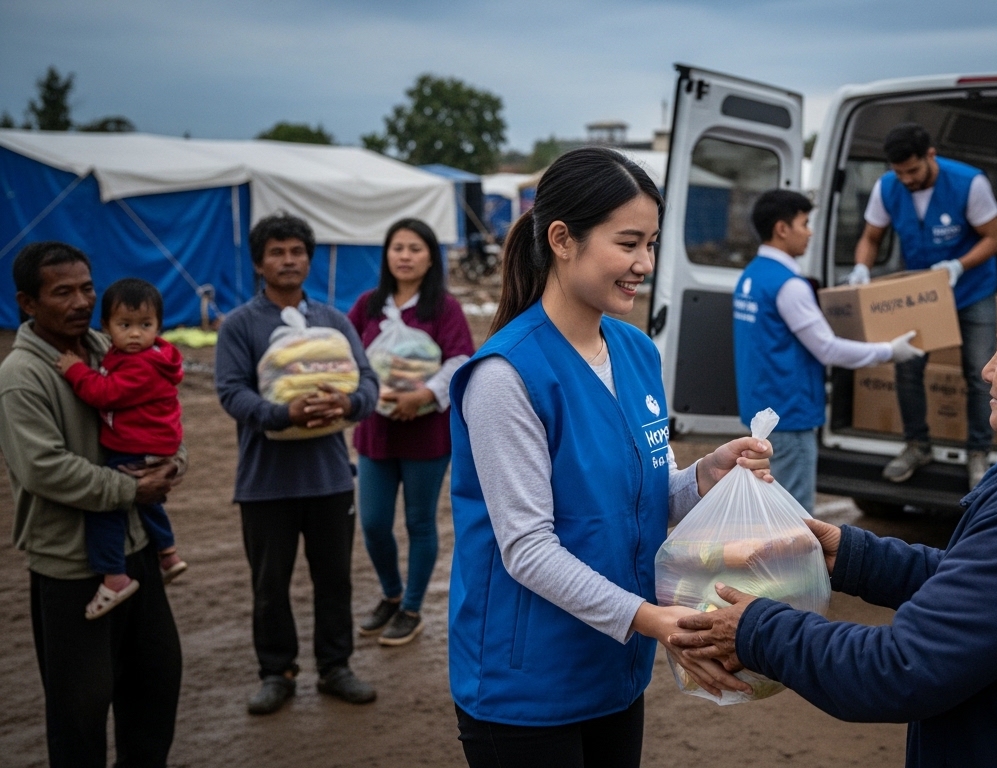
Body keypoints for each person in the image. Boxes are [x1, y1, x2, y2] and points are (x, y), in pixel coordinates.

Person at [670, 264, 997, 766]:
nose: (987, 370)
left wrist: (757, 629)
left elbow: (898, 669)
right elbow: (990, 593)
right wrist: (851, 556)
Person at [447, 147, 773, 767]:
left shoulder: (635, 351)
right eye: (628, 244)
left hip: (615, 667)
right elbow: (527, 549)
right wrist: (657, 621)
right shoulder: (506, 377)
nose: (644, 264)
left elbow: (646, 497)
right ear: (562, 240)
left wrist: (706, 476)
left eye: (651, 244)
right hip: (527, 685)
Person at [0, 241, 183, 767]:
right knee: (80, 711)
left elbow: (163, 413)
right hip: (71, 565)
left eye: (86, 288)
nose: (81, 302)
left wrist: (171, 464)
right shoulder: (21, 376)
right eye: (63, 292)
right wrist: (131, 489)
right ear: (27, 303)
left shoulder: (113, 345)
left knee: (155, 686)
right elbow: (44, 469)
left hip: (135, 548)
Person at [215, 213, 380, 715]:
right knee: (270, 586)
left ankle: (335, 667)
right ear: (259, 263)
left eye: (296, 252)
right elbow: (231, 392)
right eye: (277, 252)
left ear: (308, 259)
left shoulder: (334, 321)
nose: (288, 261)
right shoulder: (240, 325)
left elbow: (368, 383)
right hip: (265, 483)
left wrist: (347, 404)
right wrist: (283, 414)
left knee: (335, 581)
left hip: (330, 479)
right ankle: (276, 672)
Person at [733, 189, 923, 512]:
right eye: (804, 224)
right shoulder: (788, 285)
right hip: (790, 414)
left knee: (769, 508)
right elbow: (827, 349)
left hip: (763, 409)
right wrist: (888, 351)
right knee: (793, 515)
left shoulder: (751, 276)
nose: (810, 232)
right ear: (782, 229)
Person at [847, 123, 997, 489]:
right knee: (907, 367)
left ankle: (978, 451)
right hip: (921, 294)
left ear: (930, 155)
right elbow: (871, 237)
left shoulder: (969, 183)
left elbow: (994, 239)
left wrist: (958, 265)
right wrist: (861, 267)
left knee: (979, 373)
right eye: (899, 172)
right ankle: (917, 445)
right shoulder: (887, 187)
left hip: (971, 289)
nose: (907, 179)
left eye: (913, 171)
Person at [348, 218, 476, 646]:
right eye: (398, 247)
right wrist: (374, 393)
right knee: (373, 523)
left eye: (415, 248)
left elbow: (460, 359)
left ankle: (412, 607)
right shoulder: (368, 305)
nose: (405, 256)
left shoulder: (444, 308)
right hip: (376, 432)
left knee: (420, 522)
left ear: (431, 258)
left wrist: (422, 395)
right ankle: (391, 593)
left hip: (426, 436)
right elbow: (348, 355)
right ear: (386, 254)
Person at [56, 277, 189, 619]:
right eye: (125, 325)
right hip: (155, 443)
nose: (134, 334)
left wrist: (75, 371)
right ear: (106, 326)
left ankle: (115, 578)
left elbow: (104, 393)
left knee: (107, 507)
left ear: (159, 326)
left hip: (137, 445)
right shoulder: (149, 356)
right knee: (149, 500)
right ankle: (169, 554)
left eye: (145, 325)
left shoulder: (141, 364)